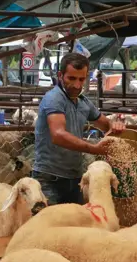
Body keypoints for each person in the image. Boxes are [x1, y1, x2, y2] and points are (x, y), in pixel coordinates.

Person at [34, 52, 126, 205]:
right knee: (48, 226)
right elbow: (58, 134)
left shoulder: (83, 102)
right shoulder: (54, 98)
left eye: (81, 79)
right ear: (60, 75)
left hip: (75, 178)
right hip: (50, 179)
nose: (77, 85)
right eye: (72, 78)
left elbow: (105, 124)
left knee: (77, 226)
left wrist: (115, 125)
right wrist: (93, 149)